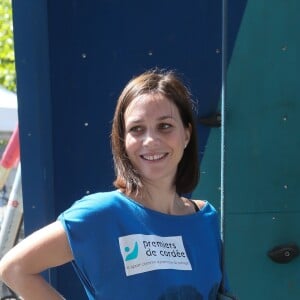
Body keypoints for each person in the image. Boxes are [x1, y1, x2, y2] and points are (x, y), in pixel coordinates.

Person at [0, 69, 223, 299]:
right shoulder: (101, 214)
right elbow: (15, 269)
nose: (151, 140)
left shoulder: (205, 220)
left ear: (186, 135)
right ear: (123, 141)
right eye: (137, 129)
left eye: (164, 126)